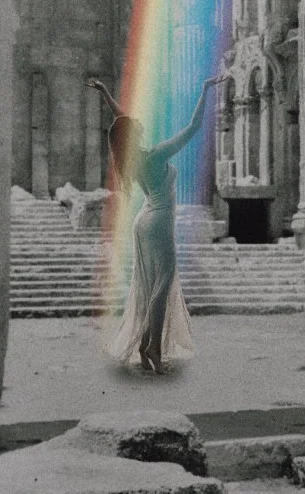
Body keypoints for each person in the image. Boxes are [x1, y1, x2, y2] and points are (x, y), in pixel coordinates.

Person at [87, 74, 223, 373]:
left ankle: (147, 344)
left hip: (145, 221)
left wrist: (106, 93)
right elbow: (194, 127)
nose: (139, 121)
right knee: (162, 284)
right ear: (133, 133)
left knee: (154, 285)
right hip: (157, 221)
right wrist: (205, 91)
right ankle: (152, 347)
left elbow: (121, 121)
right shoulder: (157, 154)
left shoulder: (133, 157)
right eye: (136, 123)